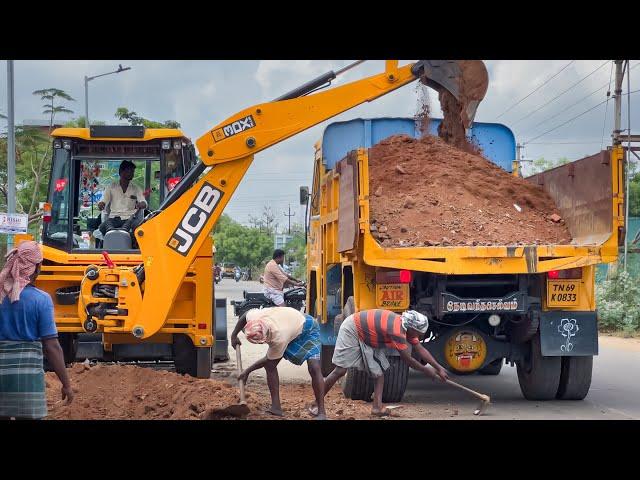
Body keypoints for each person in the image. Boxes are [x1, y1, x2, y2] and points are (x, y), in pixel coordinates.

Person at [309, 309, 449, 417]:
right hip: (353, 328)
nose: (419, 337)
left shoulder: (407, 328)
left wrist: (438, 368)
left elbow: (419, 348)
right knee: (340, 370)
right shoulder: (397, 330)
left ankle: (377, 407)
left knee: (379, 373)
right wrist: (427, 371)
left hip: (369, 336)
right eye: (418, 333)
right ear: (412, 328)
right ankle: (316, 402)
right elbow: (408, 360)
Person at [0, 241, 74, 420]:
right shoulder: (41, 300)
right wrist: (66, 384)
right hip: (27, 382)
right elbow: (51, 346)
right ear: (37, 267)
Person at [230, 306, 327, 419]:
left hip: (307, 329)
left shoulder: (279, 336)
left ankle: (321, 412)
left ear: (266, 335)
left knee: (314, 367)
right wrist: (233, 335)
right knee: (270, 366)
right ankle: (276, 407)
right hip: (291, 326)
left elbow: (268, 360)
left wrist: (247, 371)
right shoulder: (255, 317)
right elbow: (245, 315)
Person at [98, 160, 147, 236]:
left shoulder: (136, 188)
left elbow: (143, 202)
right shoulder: (111, 187)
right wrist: (101, 204)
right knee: (102, 227)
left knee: (137, 231)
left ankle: (132, 245)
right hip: (114, 218)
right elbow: (104, 200)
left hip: (130, 218)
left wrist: (142, 204)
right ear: (121, 172)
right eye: (129, 171)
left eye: (132, 171)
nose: (132, 174)